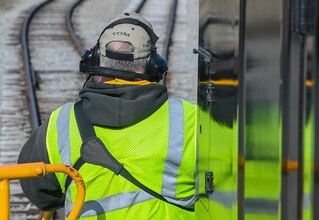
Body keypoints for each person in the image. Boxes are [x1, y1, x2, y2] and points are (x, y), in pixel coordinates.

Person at [18, 12, 197, 219]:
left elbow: (40, 194)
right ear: (153, 66)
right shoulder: (189, 120)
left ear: (95, 61)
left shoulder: (61, 124)